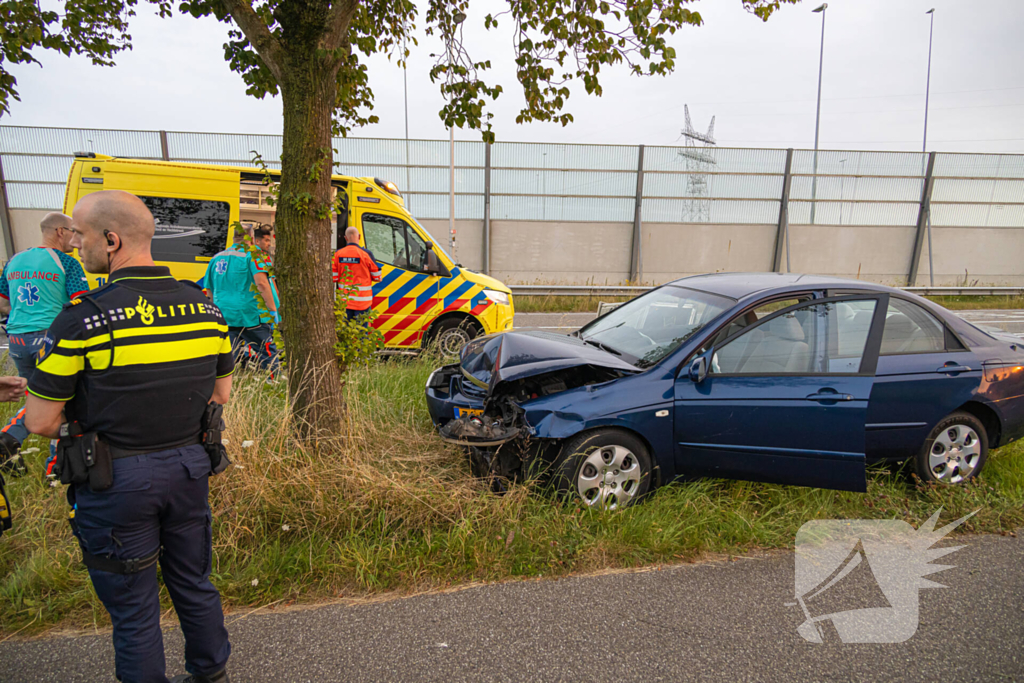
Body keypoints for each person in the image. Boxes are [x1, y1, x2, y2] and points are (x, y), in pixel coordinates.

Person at [24, 190, 234, 683]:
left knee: (135, 608)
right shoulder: (205, 308)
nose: (75, 244)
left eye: (81, 235)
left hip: (116, 479)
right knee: (193, 582)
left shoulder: (81, 318)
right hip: (189, 468)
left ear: (112, 240)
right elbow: (220, 393)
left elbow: (40, 422)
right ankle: (211, 674)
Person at [0, 212, 89, 475]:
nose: (76, 240)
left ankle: (11, 438)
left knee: (37, 395)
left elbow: (3, 302)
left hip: (17, 339)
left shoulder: (14, 260)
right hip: (49, 337)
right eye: (73, 232)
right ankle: (54, 468)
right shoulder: (66, 262)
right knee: (62, 400)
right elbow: (81, 304)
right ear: (60, 231)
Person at [203, 227, 278, 371]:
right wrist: (272, 310)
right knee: (267, 353)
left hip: (225, 315)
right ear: (251, 238)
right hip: (251, 315)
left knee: (228, 357)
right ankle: (273, 379)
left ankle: (228, 382)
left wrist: (215, 312)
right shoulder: (253, 256)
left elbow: (209, 289)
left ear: (233, 238)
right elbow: (262, 284)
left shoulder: (216, 258)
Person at [331, 226, 381, 322]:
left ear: (345, 238)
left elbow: (334, 277)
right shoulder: (366, 254)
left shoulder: (337, 254)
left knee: (345, 329)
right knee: (361, 330)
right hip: (363, 303)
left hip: (345, 302)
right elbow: (377, 277)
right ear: (360, 236)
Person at [251, 225, 280, 373]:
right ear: (257, 241)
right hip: (263, 305)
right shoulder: (256, 257)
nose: (269, 244)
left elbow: (271, 280)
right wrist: (274, 305)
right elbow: (265, 282)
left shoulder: (265, 257)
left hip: (269, 302)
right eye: (266, 240)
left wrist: (277, 298)